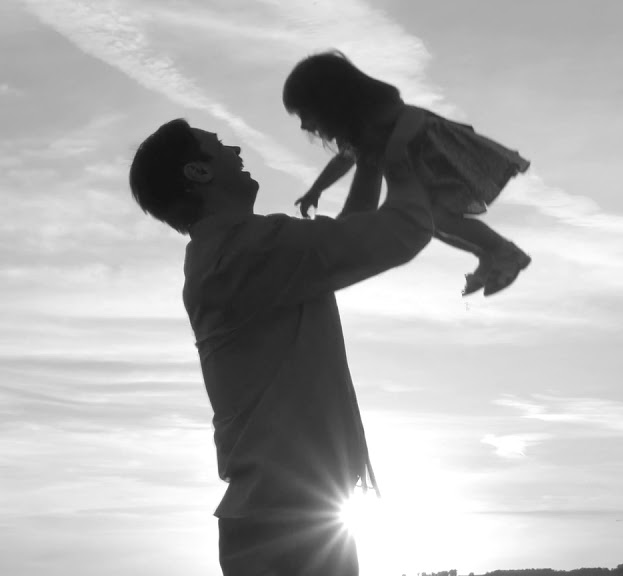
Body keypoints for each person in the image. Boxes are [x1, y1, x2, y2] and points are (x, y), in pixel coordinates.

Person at [127, 115, 433, 576]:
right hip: (289, 524)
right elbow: (397, 233)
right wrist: (402, 159)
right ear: (199, 171)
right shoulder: (251, 251)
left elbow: (345, 238)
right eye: (220, 145)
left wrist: (369, 162)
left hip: (282, 515)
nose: (236, 151)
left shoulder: (237, 252)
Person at [284, 49, 532, 297]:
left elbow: (412, 114)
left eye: (304, 114)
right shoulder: (359, 134)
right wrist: (316, 190)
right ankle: (488, 253)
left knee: (437, 218)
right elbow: (344, 162)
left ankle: (505, 252)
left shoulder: (376, 112)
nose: (304, 125)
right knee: (432, 221)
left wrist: (398, 145)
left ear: (328, 100)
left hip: (435, 155)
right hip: (417, 168)